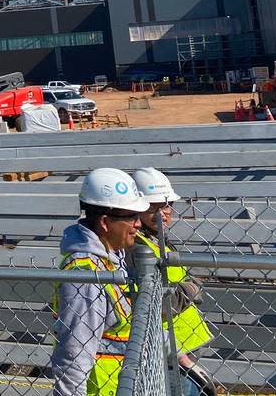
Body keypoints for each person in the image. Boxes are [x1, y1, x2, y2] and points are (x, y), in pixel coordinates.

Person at [52, 168, 149, 396]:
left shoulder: (113, 257)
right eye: (131, 217)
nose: (138, 224)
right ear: (105, 222)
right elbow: (74, 354)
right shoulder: (85, 276)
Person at [131, 168, 216, 396]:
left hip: (181, 344)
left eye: (167, 206)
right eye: (154, 207)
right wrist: (190, 288)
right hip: (170, 351)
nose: (163, 213)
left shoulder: (157, 240)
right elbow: (152, 305)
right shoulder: (138, 247)